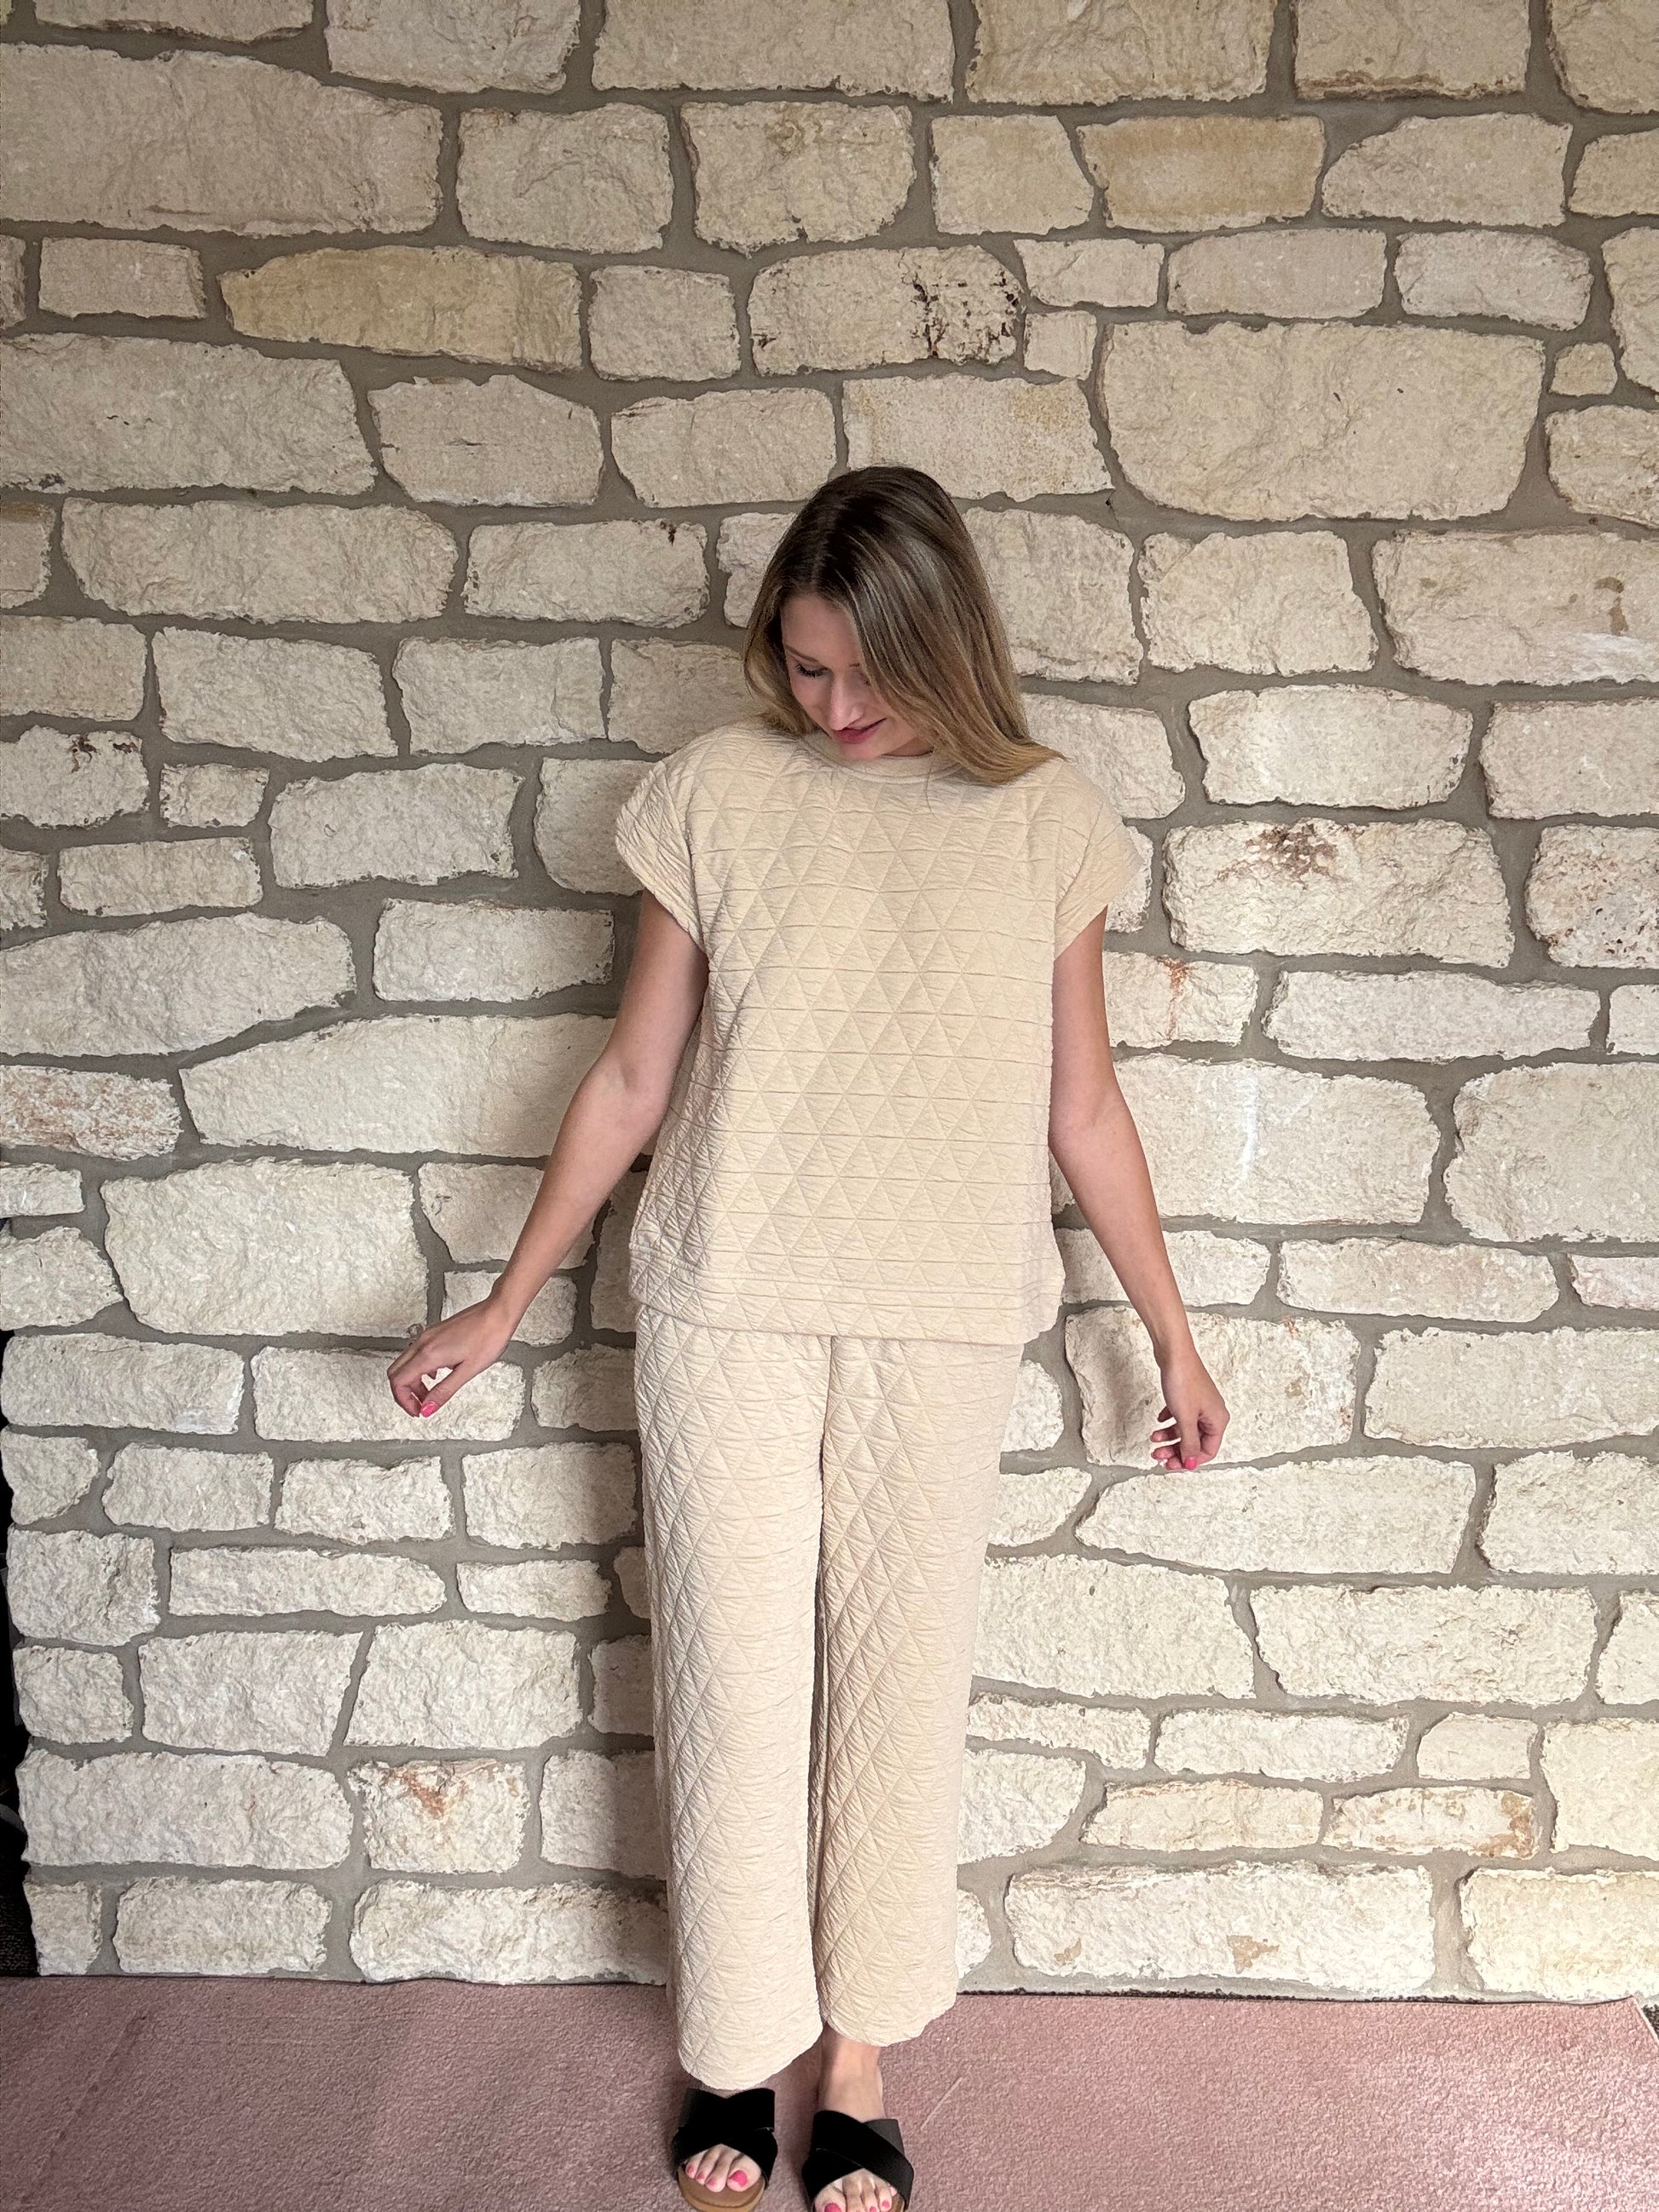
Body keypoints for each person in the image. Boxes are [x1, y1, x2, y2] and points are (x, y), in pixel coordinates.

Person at [388, 465, 1229, 2212]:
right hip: (727, 1302)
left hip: (942, 1315)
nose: (832, 705)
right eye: (804, 664)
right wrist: (508, 1292)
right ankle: (734, 2039)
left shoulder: (1045, 818)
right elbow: (635, 1073)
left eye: (865, 669)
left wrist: (1172, 1336)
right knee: (732, 1684)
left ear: (946, 644)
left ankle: (854, 2059)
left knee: (899, 1693)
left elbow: (1082, 1104)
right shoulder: (714, 792)